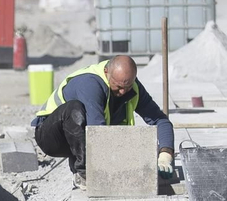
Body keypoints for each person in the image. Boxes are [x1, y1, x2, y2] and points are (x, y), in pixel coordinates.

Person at [32, 55, 173, 188]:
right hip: (51, 135)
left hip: (79, 137)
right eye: (118, 87)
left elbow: (160, 120)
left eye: (127, 87)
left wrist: (165, 154)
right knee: (75, 109)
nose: (123, 92)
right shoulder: (89, 83)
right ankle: (84, 174)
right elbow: (98, 133)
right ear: (106, 72)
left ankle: (85, 164)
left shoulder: (132, 85)